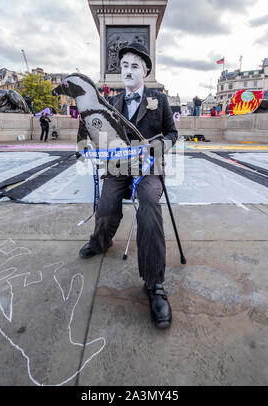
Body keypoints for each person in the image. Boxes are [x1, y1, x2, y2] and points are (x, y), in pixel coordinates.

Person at [78, 43, 178, 329]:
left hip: (148, 170)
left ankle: (155, 284)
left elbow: (172, 133)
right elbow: (100, 134)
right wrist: (90, 147)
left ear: (144, 72)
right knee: (107, 206)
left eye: (135, 66)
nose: (129, 70)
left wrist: (155, 148)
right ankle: (100, 241)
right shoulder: (113, 103)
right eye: (124, 66)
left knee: (148, 206)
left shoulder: (159, 100)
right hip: (118, 169)